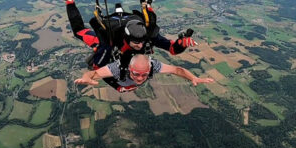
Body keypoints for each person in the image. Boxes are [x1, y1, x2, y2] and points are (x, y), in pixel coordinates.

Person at [54, 0, 196, 70]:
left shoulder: (147, 36)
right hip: (112, 26)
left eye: (141, 42)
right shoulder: (110, 40)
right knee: (80, 33)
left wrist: (181, 43)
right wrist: (104, 50)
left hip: (131, 21)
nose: (140, 45)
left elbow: (172, 49)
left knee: (83, 35)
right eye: (136, 43)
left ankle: (69, 0)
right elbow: (98, 66)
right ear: (127, 39)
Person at [74, 54, 215, 92]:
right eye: (136, 74)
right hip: (118, 79)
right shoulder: (117, 67)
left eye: (144, 74)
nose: (140, 78)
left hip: (126, 81)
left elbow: (177, 70)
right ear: (130, 69)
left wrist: (193, 78)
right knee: (99, 65)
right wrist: (86, 78)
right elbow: (92, 74)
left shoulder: (153, 65)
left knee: (129, 86)